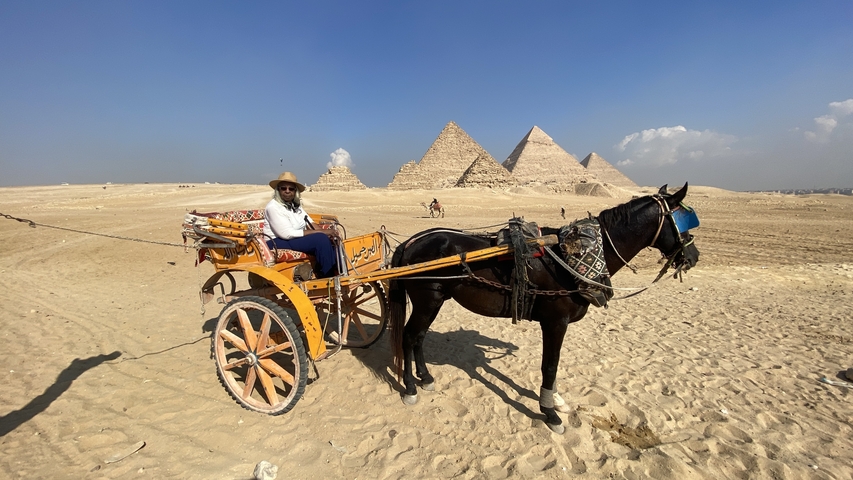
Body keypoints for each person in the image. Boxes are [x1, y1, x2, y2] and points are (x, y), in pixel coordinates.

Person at [263, 172, 339, 278]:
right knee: (320, 239)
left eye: (291, 189)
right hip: (276, 241)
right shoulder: (273, 207)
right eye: (283, 188)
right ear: (278, 190)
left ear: (295, 191)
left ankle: (338, 271)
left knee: (332, 240)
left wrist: (328, 234)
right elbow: (286, 234)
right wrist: (323, 232)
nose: (287, 191)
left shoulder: (295, 206)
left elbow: (310, 223)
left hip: (292, 238)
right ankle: (327, 277)